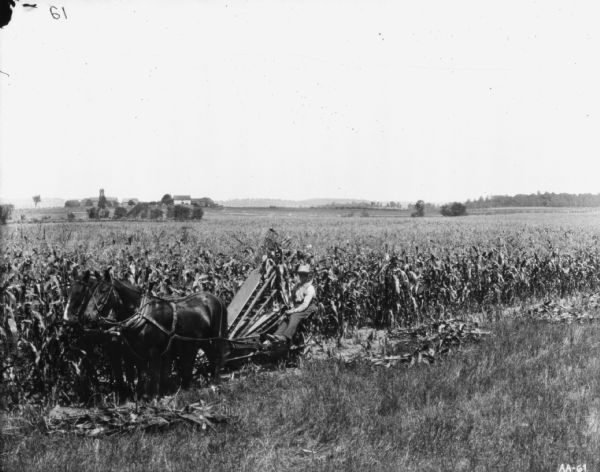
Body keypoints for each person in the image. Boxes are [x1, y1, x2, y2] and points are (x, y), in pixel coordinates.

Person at [264, 264, 317, 346]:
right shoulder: (297, 286)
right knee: (286, 316)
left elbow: (305, 304)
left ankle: (286, 336)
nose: (301, 277)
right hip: (298, 305)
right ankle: (277, 336)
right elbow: (292, 298)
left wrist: (294, 310)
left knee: (295, 315)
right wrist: (290, 308)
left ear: (307, 276)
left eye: (303, 275)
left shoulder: (310, 288)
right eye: (300, 275)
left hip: (309, 307)